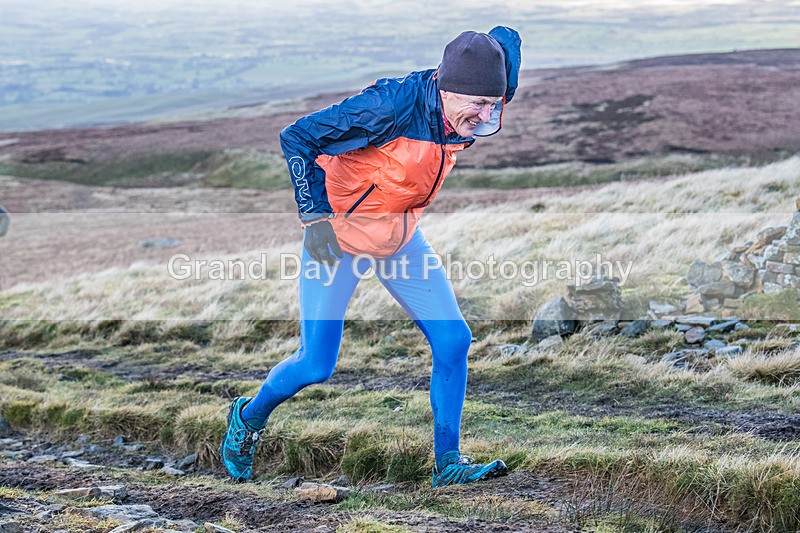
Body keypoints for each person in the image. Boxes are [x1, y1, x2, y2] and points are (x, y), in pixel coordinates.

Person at [221, 27, 522, 487]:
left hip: (400, 240)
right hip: (338, 239)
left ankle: (449, 464)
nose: (484, 118)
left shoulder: (486, 92)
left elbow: (507, 40)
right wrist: (315, 220)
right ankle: (247, 418)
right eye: (475, 105)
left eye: (492, 105)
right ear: (444, 84)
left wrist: (500, 46)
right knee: (315, 365)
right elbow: (296, 138)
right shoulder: (389, 106)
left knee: (454, 342)